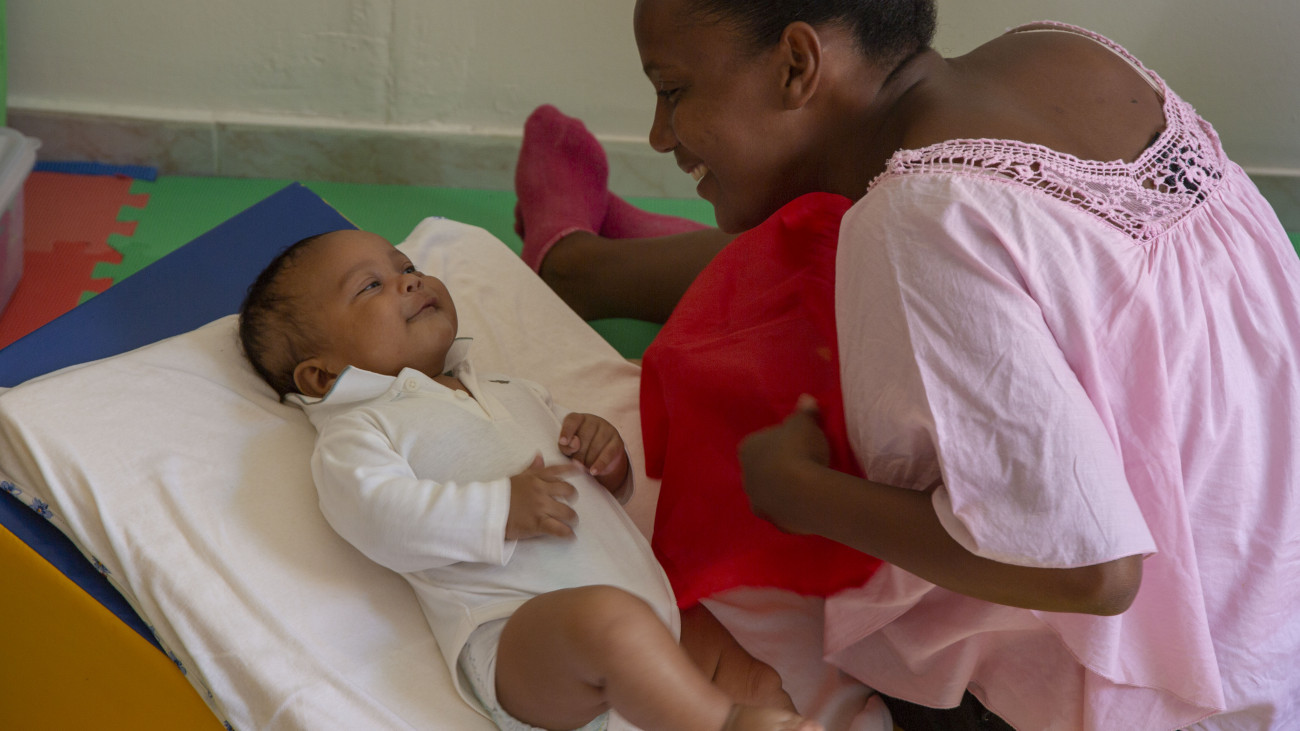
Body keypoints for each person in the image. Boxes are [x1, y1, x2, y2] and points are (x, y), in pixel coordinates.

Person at [510, 1, 1300, 730]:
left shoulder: (918, 213)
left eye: (673, 91)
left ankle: (578, 265)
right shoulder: (1068, 53)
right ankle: (588, 265)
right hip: (1274, 630)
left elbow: (1093, 571)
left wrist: (802, 492)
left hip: (1168, 703)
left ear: (796, 64)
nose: (659, 133)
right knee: (831, 247)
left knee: (784, 329)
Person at [236, 228, 823, 731]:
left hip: (651, 613)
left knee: (755, 681)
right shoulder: (359, 427)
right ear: (321, 376)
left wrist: (606, 461)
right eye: (371, 286)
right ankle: (719, 724)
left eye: (407, 266)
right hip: (522, 634)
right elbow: (377, 515)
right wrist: (499, 511)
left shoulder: (513, 390)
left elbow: (586, 494)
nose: (409, 281)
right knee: (609, 625)